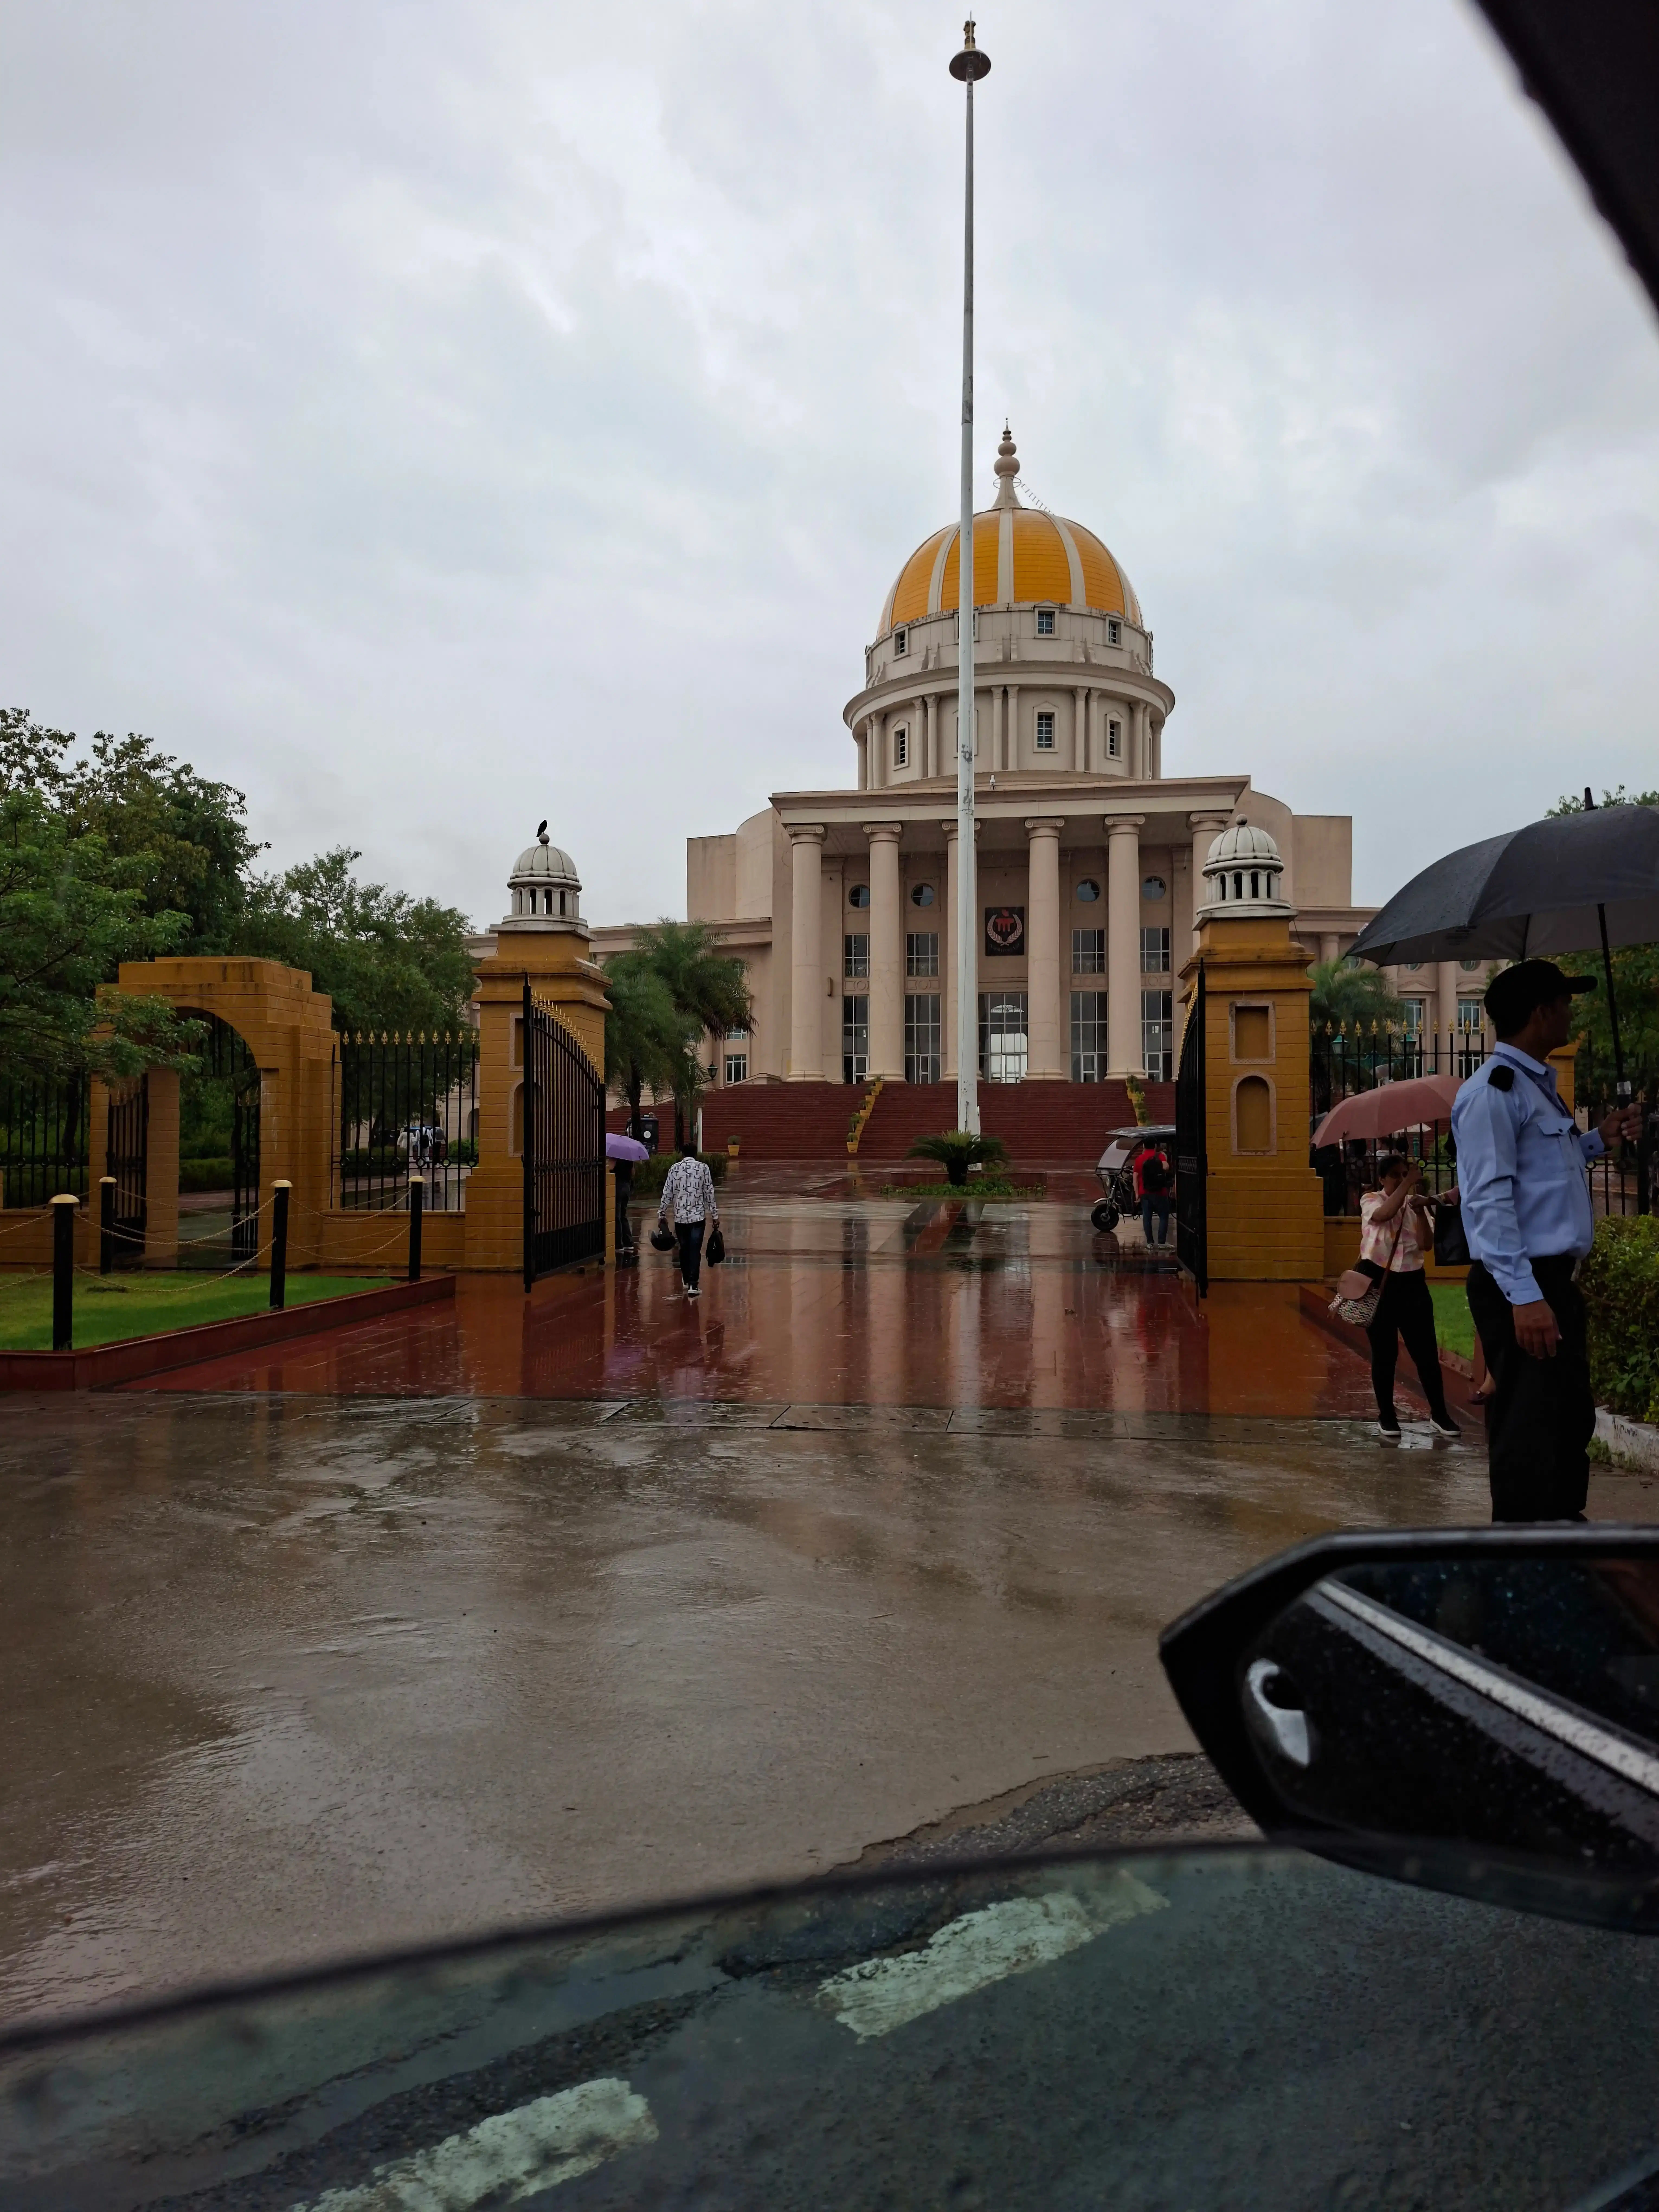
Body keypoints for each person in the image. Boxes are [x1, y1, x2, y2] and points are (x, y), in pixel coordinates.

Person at [1451, 958, 1642, 1521]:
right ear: (1541, 1014)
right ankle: (1524, 1551)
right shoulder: (1494, 1091)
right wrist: (1525, 1295)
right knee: (1529, 1426)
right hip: (1524, 1283)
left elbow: (1537, 1176)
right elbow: (1488, 1199)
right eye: (1564, 1004)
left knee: (1565, 1415)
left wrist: (1594, 1142)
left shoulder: (1535, 1087)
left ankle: (1560, 1532)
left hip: (1548, 1282)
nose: (1570, 1015)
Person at [1356, 1154, 1460, 1442]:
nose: (1402, 1180)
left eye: (1405, 1174)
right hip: (1380, 1281)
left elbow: (1426, 1245)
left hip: (1413, 1283)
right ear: (1382, 1179)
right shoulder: (1371, 1200)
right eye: (1396, 1176)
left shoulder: (1416, 1205)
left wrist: (1420, 1209)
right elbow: (1383, 1215)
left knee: (1426, 1354)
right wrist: (1407, 1188)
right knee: (1385, 1353)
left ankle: (1440, 1413)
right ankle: (1386, 1415)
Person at [657, 1136, 718, 1300]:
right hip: (698, 1218)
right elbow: (709, 1194)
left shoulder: (674, 1169)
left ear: (683, 1154)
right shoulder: (703, 1169)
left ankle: (686, 1279)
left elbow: (667, 1193)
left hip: (680, 1218)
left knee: (684, 1249)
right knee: (695, 1250)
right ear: (695, 1154)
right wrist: (715, 1215)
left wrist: (662, 1214)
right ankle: (694, 1283)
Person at [1139, 1140, 1173, 1249]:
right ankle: (1162, 1243)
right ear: (1155, 1146)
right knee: (1163, 1217)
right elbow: (1167, 1167)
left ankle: (1150, 1243)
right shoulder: (1160, 1157)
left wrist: (1137, 1193)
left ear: (1144, 1146)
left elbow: (1136, 1176)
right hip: (1160, 1192)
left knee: (1147, 1218)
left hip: (1145, 1193)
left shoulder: (1140, 1159)